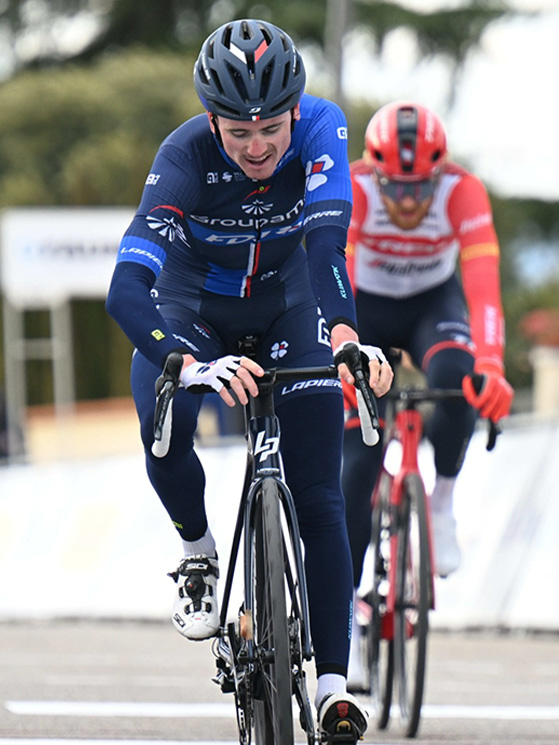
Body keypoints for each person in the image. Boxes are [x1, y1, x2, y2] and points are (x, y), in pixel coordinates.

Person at [106, 18, 393, 739]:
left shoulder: (322, 126)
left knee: (320, 492)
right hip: (193, 310)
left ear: (295, 110)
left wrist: (345, 337)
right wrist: (181, 362)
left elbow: (327, 242)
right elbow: (126, 289)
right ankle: (198, 552)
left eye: (270, 128)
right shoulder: (183, 156)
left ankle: (332, 687)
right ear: (212, 121)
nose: (258, 145)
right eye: (238, 132)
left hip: (292, 304)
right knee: (163, 420)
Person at [341, 101, 514, 689]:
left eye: (422, 189)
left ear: (440, 176)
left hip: (431, 306)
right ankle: (346, 625)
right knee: (356, 463)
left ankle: (441, 502)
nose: (410, 204)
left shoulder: (463, 191)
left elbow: (483, 287)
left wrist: (492, 365)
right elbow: (335, 275)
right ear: (374, 173)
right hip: (364, 308)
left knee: (462, 380)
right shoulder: (355, 188)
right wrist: (343, 357)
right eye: (397, 188)